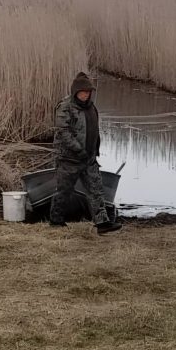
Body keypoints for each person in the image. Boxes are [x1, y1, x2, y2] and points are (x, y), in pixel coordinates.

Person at [51, 72, 121, 234]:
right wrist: (78, 149)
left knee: (96, 190)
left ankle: (102, 224)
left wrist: (93, 152)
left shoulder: (91, 107)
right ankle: (56, 221)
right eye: (82, 92)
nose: (85, 95)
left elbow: (94, 130)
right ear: (75, 92)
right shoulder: (65, 107)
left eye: (88, 92)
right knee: (64, 191)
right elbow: (63, 132)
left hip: (89, 158)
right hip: (69, 159)